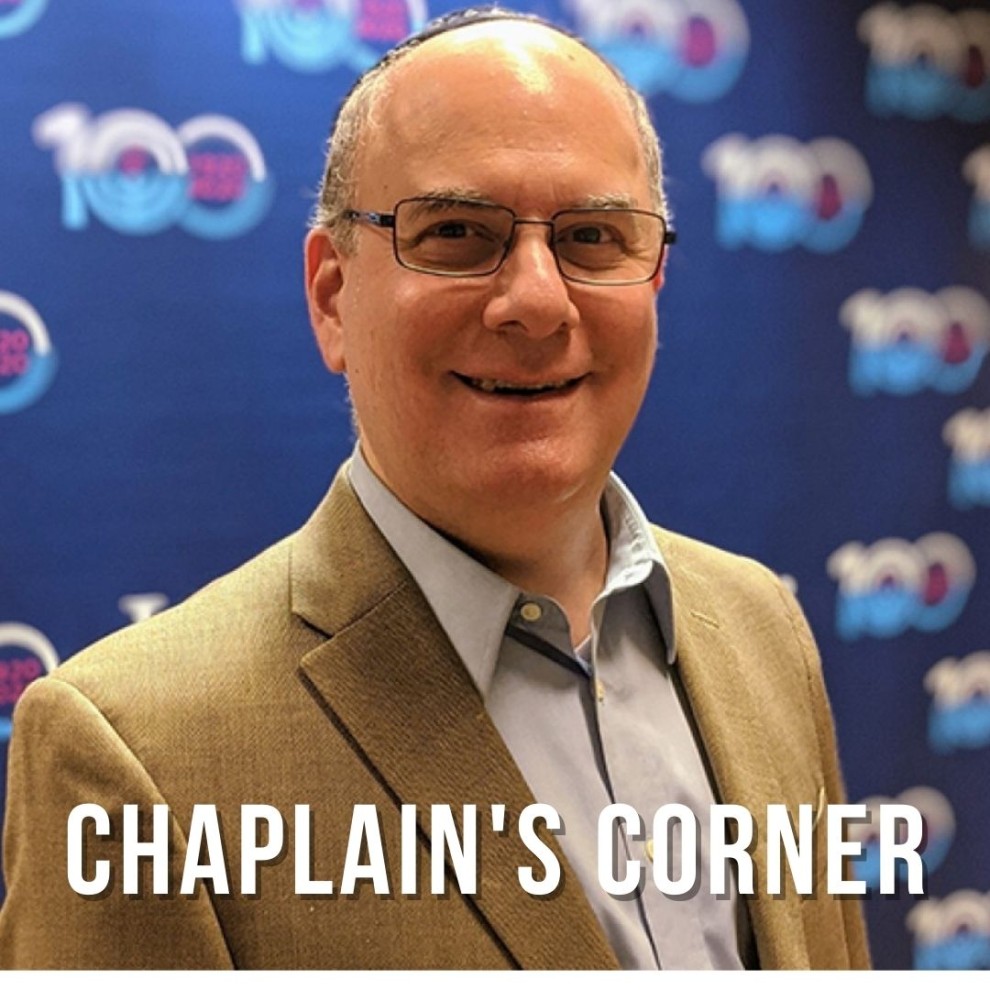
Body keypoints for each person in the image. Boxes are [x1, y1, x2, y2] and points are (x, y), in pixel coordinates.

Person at [0, 6, 870, 970]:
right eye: (456, 232)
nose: (537, 301)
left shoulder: (762, 629)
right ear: (333, 296)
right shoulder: (135, 754)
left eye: (592, 236)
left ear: (654, 278)